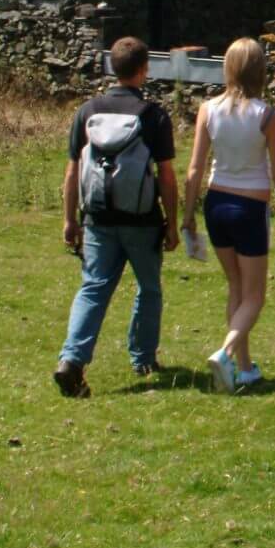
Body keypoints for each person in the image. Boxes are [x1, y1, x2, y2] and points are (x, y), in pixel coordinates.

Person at [54, 37, 179, 398]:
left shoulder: (87, 111)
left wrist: (69, 220)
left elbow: (72, 171)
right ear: (144, 70)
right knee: (149, 287)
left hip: (97, 218)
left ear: (112, 68)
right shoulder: (153, 116)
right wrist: (171, 222)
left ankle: (72, 359)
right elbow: (166, 175)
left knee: (93, 287)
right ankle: (142, 358)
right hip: (141, 220)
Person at [182, 38, 275, 394]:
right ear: (260, 71)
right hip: (250, 208)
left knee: (236, 287)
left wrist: (187, 216)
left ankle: (245, 369)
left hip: (216, 204)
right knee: (256, 296)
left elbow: (195, 167)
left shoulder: (208, 109)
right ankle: (226, 352)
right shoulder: (267, 116)